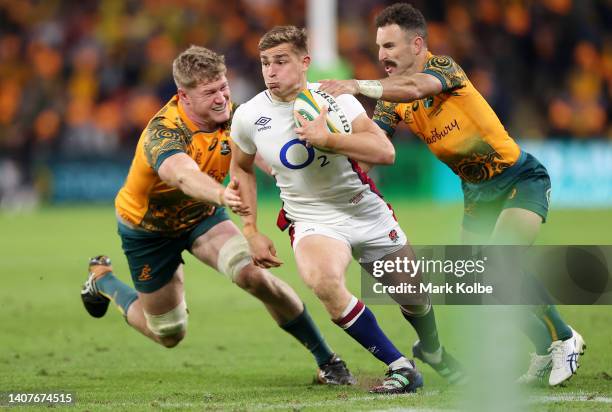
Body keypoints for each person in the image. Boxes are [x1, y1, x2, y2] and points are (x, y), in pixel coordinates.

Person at [319, 3, 585, 387]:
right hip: (477, 193)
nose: (382, 55)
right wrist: (328, 156)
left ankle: (565, 338)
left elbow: (415, 87)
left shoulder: (443, 69)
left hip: (518, 178)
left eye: (391, 45)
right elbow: (373, 146)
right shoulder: (392, 100)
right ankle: (544, 347)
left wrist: (356, 85)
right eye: (380, 47)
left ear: (417, 44)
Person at [79, 45, 355, 386]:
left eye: (224, 86)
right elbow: (182, 175)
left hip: (202, 218)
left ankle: (327, 360)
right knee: (168, 332)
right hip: (148, 230)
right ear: (184, 96)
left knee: (254, 276)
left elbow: (264, 156)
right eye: (210, 92)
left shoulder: (235, 116)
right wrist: (220, 193)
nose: (222, 97)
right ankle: (102, 280)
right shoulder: (163, 133)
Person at [230, 26, 465, 395]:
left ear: (304, 62)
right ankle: (400, 365)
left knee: (414, 297)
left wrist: (328, 140)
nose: (271, 71)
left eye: (280, 61)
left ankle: (432, 349)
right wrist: (250, 230)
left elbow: (385, 153)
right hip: (311, 218)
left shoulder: (335, 99)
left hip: (363, 210)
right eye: (264, 63)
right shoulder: (249, 115)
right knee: (323, 281)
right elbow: (241, 168)